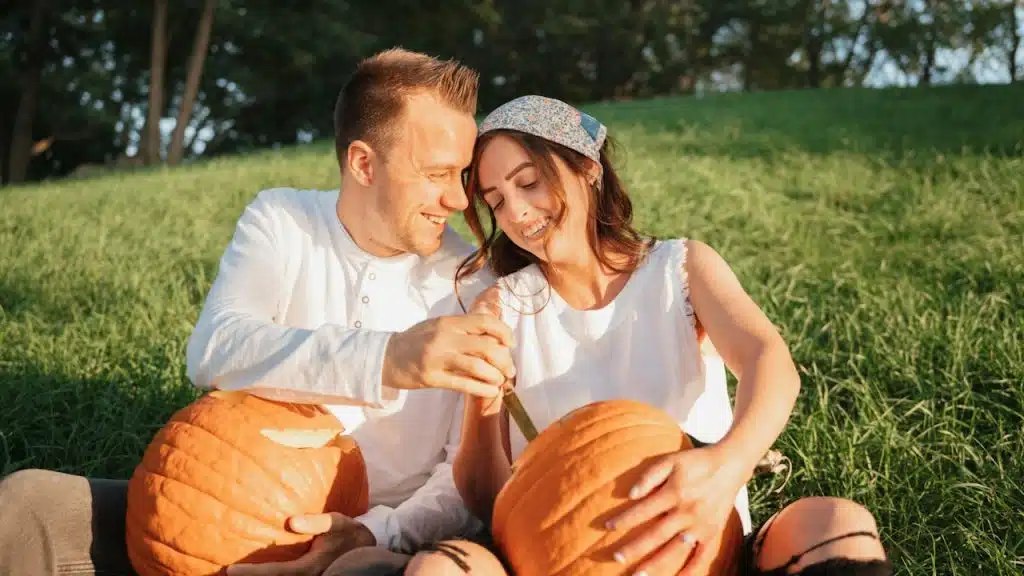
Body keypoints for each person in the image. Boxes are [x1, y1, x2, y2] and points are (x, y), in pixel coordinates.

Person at [0, 48, 515, 576]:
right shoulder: (283, 220)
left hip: (377, 541)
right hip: (217, 509)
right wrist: (388, 358)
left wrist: (372, 531)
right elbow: (215, 348)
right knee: (27, 506)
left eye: (463, 173)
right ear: (363, 163)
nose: (458, 198)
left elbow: (463, 478)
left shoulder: (473, 283)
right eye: (437, 173)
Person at [413, 95, 893, 575]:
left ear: (587, 167)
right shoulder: (501, 308)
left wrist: (728, 466)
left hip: (706, 546)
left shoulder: (680, 269)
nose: (515, 212)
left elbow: (768, 361)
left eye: (529, 183)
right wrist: (483, 400)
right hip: (560, 558)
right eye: (496, 201)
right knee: (439, 570)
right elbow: (488, 499)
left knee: (837, 525)